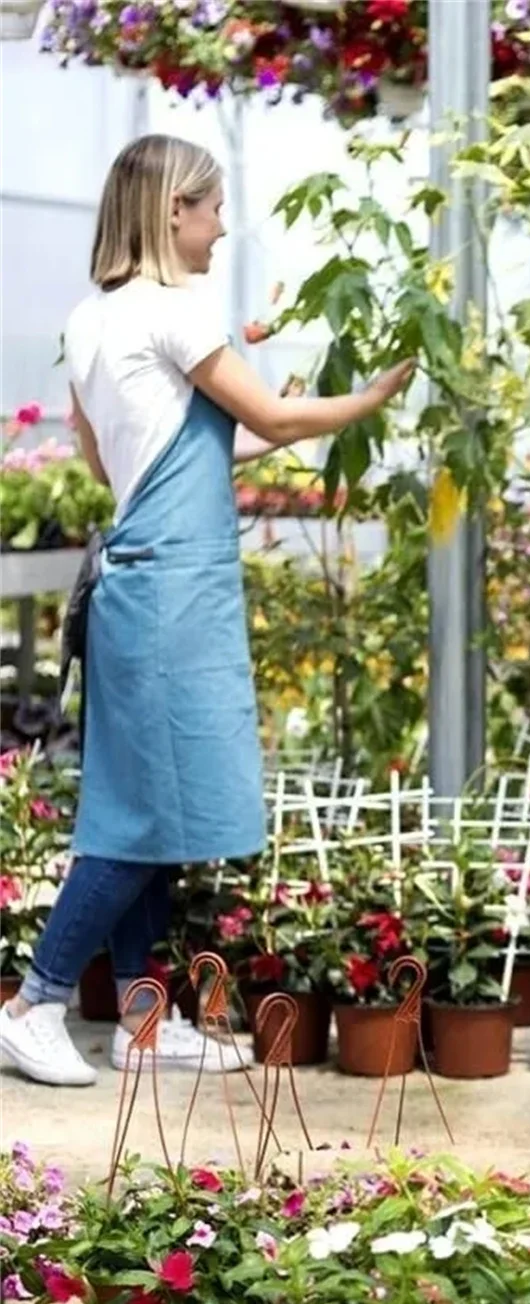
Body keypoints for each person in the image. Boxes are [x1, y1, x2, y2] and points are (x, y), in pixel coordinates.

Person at [0, 134, 413, 1089]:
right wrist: (369, 398)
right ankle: (36, 1000)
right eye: (213, 207)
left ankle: (145, 1021)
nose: (224, 226)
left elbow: (126, 467)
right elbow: (267, 419)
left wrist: (260, 421)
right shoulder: (175, 312)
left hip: (145, 580)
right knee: (138, 816)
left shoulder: (94, 320)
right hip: (170, 594)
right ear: (172, 211)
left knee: (163, 810)